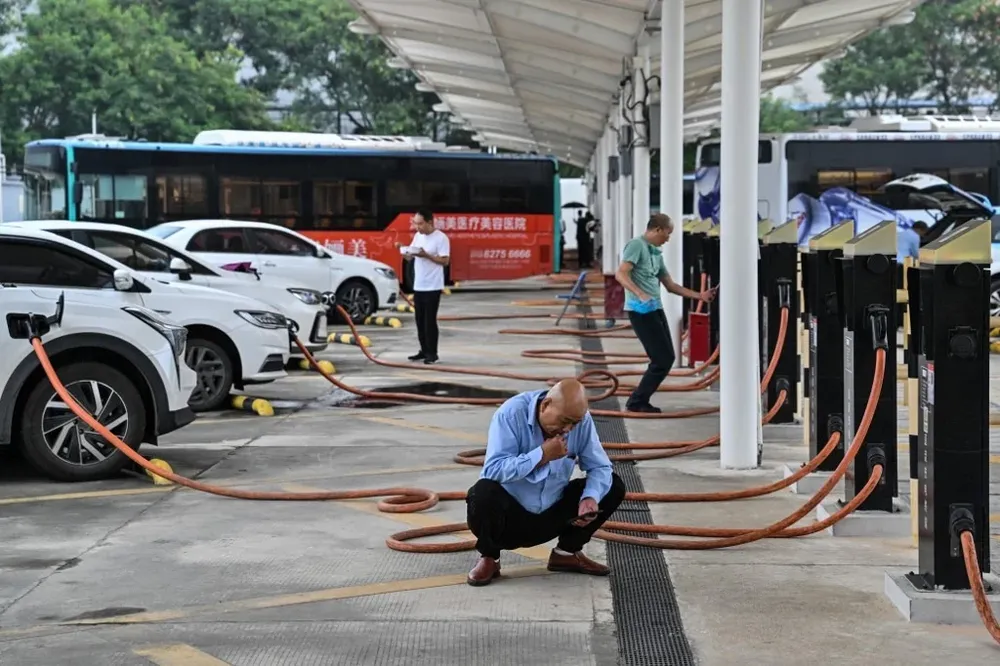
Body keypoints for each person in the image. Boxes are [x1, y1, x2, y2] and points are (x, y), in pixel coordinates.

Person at [465, 379, 626, 587]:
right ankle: (489, 557)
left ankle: (566, 553)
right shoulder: (511, 414)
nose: (567, 429)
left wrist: (590, 498)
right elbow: (493, 470)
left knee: (613, 485)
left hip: (552, 513)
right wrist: (541, 455)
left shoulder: (580, 420)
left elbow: (601, 467)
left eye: (573, 424)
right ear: (545, 405)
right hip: (510, 517)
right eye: (564, 421)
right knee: (482, 492)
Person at [615, 213, 716, 413]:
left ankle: (639, 400)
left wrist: (700, 296)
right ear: (657, 229)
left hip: (655, 309)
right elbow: (621, 273)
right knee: (661, 359)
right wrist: (639, 293)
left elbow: (670, 285)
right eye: (667, 234)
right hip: (640, 310)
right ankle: (637, 401)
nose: (668, 238)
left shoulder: (655, 254)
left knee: (667, 357)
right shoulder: (637, 246)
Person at [397, 209, 450, 364]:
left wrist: (426, 255)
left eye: (420, 224)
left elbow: (445, 261)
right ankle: (423, 350)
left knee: (429, 321)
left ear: (429, 222)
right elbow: (411, 257)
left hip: (432, 285)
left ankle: (432, 354)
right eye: (415, 223)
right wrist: (402, 250)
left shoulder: (441, 238)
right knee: (419, 320)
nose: (417, 227)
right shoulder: (418, 236)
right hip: (419, 284)